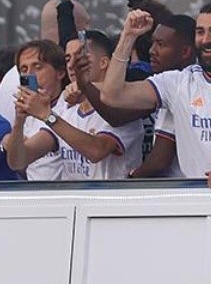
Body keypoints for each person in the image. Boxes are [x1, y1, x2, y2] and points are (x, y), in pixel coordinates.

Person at [98, 3, 211, 189]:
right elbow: (112, 96)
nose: (206, 40)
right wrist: (128, 36)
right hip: (195, 201)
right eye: (200, 32)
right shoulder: (178, 83)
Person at [5, 31, 143, 181]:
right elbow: (19, 161)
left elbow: (96, 151)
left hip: (112, 201)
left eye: (80, 58)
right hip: (72, 202)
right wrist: (19, 121)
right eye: (68, 58)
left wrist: (47, 115)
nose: (71, 65)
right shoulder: (66, 109)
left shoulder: (123, 107)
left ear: (103, 63)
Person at [129, 14, 197, 178]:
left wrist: (130, 179)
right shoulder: (172, 86)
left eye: (160, 44)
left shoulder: (182, 89)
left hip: (181, 192)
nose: (152, 51)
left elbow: (159, 162)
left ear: (185, 51)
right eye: (152, 43)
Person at [0, 40, 68, 180]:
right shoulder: (28, 115)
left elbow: (20, 161)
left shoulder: (67, 109)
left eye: (37, 67)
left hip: (63, 197)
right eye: (24, 70)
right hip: (34, 195)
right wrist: (19, 121)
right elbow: (17, 165)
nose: (29, 75)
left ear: (60, 72)